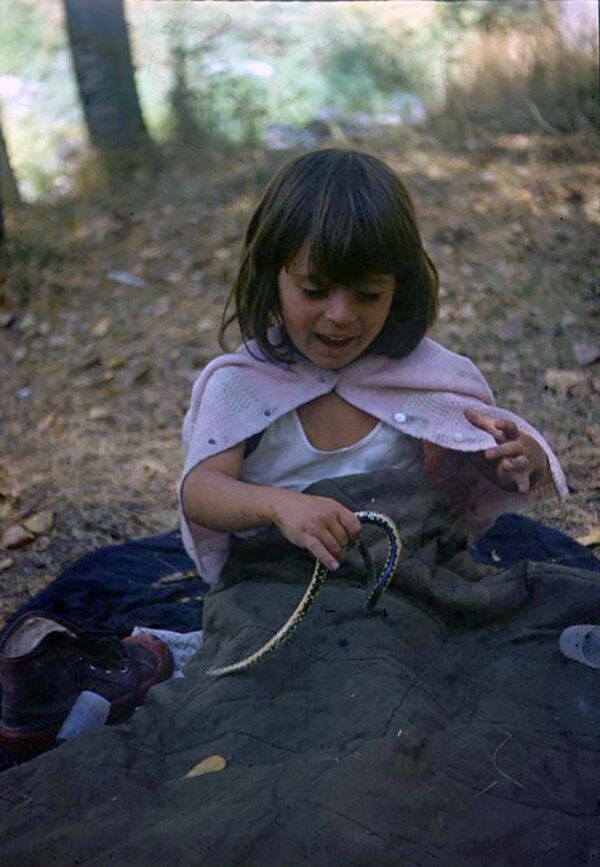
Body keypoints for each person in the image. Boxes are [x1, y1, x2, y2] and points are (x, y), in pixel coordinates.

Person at [179, 149, 567, 584]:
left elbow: (467, 474)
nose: (341, 315)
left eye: (367, 295)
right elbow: (201, 491)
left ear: (399, 291)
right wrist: (278, 506)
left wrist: (517, 462)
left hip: (407, 572)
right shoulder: (241, 384)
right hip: (280, 580)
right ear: (272, 279)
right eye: (314, 291)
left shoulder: (427, 378)